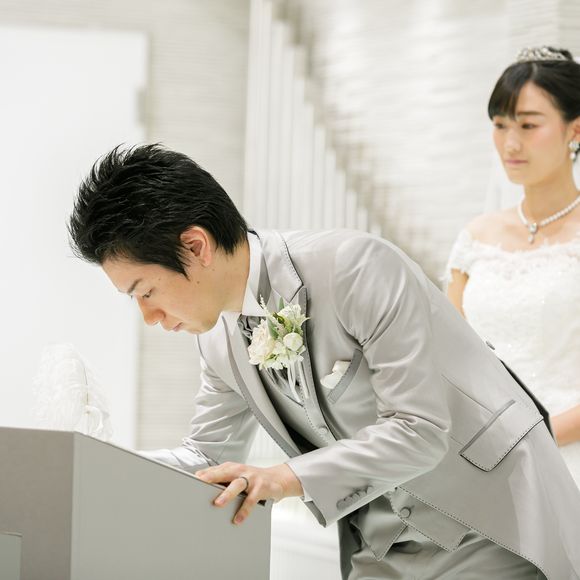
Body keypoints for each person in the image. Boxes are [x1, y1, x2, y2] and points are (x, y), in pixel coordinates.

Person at [69, 144, 580, 579]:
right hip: (381, 548)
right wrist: (91, 461)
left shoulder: (356, 267)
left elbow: (420, 430)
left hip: (488, 520)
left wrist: (285, 478)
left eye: (146, 291)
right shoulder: (218, 341)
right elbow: (206, 457)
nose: (149, 317)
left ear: (195, 245)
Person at [446, 46, 580, 488]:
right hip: (482, 456)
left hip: (567, 455)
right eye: (500, 125)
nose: (510, 143)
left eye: (528, 125)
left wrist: (530, 440)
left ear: (575, 129)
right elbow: (448, 358)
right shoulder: (477, 237)